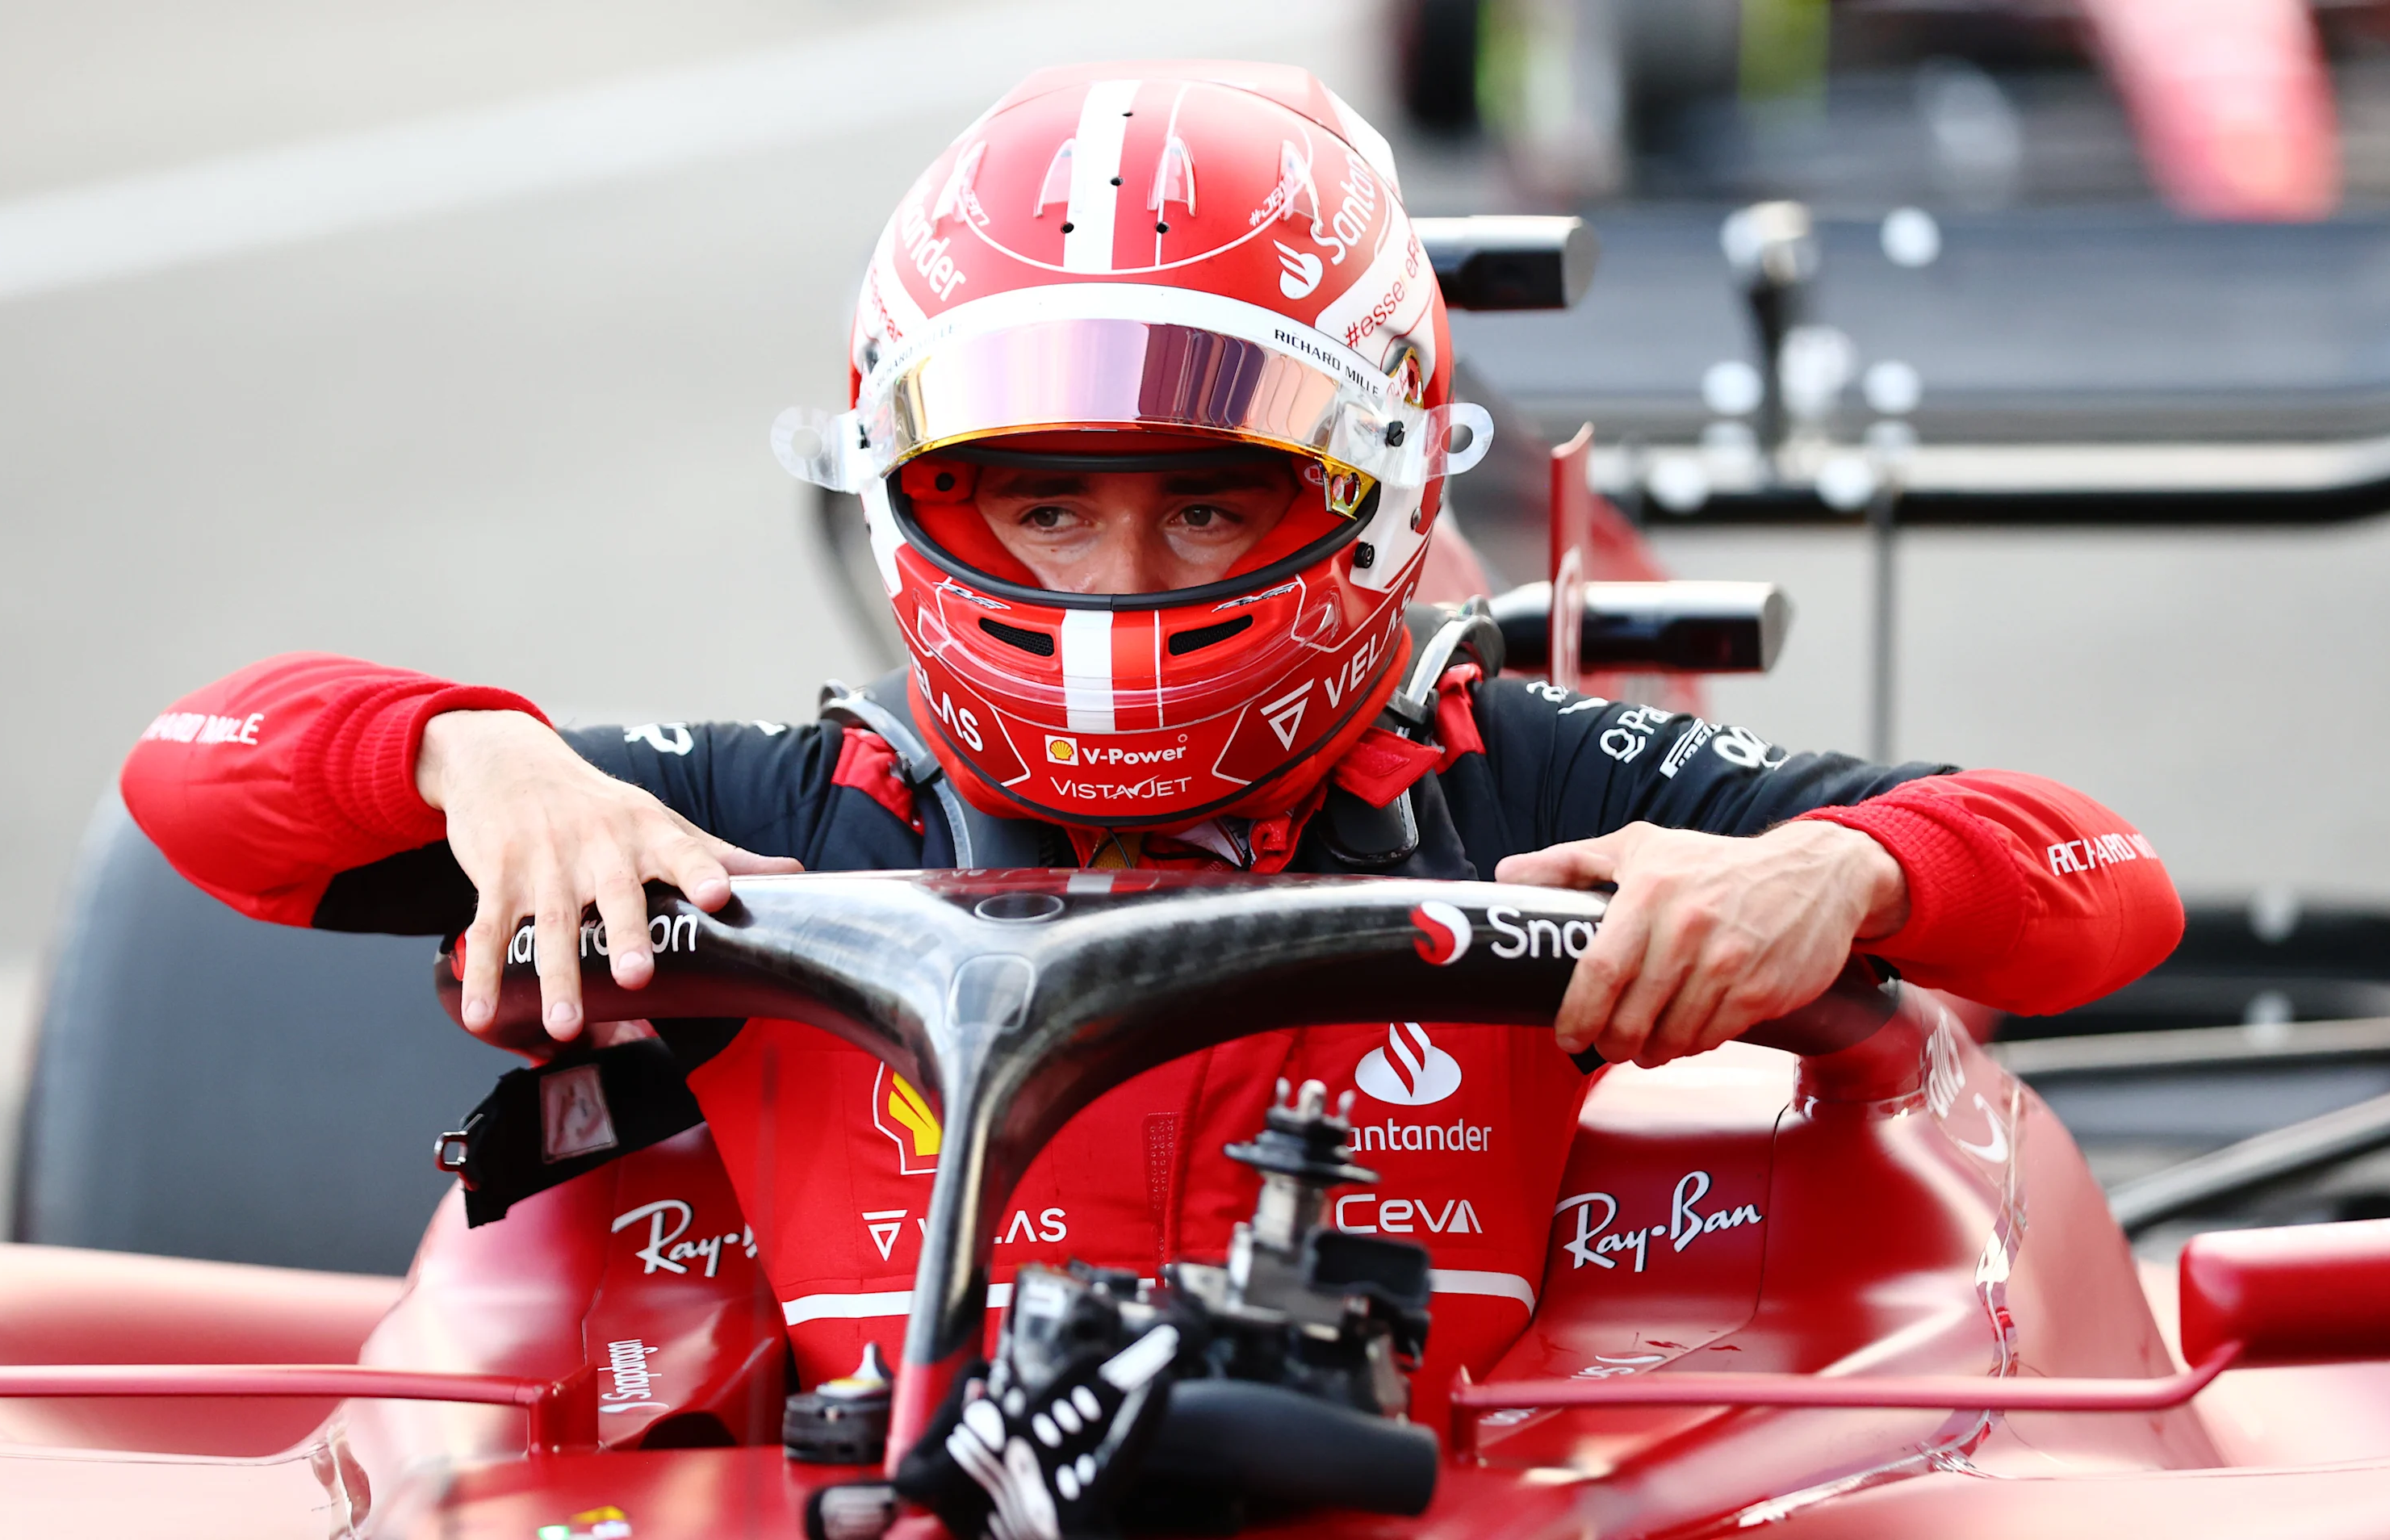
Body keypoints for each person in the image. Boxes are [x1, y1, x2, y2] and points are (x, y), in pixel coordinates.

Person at [119, 60, 2181, 1417]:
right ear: (919, 495)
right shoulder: (774, 815)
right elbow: (201, 771)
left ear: (1372, 485)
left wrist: (1840, 874)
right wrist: (472, 756)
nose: (1119, 582)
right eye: (1047, 507)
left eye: (1208, 503)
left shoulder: (1522, 781)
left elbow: (2100, 876)